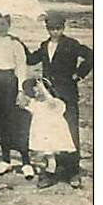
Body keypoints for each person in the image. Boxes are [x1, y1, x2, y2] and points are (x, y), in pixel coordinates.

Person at [26, 12, 93, 188]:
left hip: (67, 94)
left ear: (63, 28)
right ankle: (51, 171)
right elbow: (31, 60)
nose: (55, 32)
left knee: (70, 131)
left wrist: (78, 75)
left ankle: (73, 172)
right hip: (49, 96)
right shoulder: (44, 45)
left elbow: (91, 56)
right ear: (47, 29)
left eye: (58, 28)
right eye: (51, 29)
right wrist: (18, 44)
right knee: (50, 132)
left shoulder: (71, 44)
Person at [0, 12, 31, 178]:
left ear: (9, 25)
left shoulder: (14, 42)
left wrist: (21, 90)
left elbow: (21, 67)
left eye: (3, 24)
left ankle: (26, 161)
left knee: (14, 119)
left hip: (10, 80)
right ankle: (5, 159)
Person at [23, 77, 76, 189]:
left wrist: (44, 91)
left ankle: (50, 175)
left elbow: (52, 102)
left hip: (52, 134)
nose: (37, 94)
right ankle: (47, 172)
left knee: (50, 156)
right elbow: (28, 108)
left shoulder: (55, 103)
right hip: (41, 134)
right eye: (35, 92)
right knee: (44, 156)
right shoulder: (35, 103)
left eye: (39, 91)